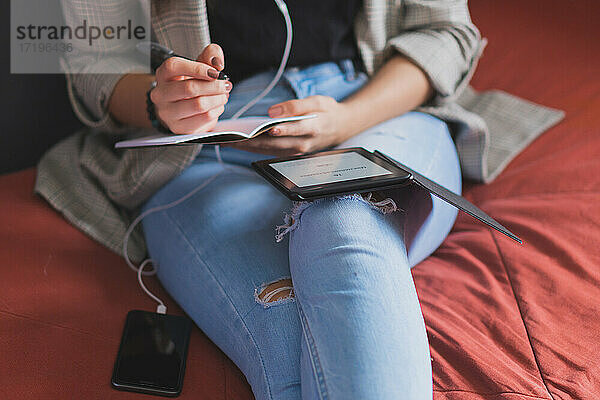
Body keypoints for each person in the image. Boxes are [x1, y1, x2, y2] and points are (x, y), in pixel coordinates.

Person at [35, 1, 563, 399]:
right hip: (204, 144)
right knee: (288, 330)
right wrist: (160, 100)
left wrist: (346, 120)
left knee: (345, 213)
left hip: (377, 110)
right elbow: (92, 60)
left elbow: (447, 32)